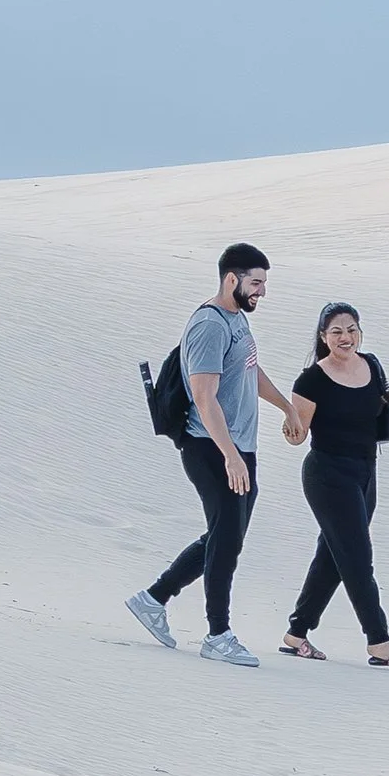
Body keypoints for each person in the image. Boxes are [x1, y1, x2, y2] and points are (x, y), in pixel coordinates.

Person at [127, 245, 301, 667]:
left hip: (238, 447)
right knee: (225, 539)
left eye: (263, 283)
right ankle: (217, 634)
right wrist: (230, 456)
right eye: (256, 283)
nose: (262, 292)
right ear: (231, 279)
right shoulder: (208, 325)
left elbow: (249, 369)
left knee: (227, 536)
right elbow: (204, 398)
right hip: (209, 447)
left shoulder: (237, 319)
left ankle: (153, 599)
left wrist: (287, 406)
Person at [277, 301, 389, 667]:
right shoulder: (311, 379)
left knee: (334, 556)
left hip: (365, 472)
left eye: (351, 329)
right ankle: (379, 642)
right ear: (323, 337)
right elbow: (297, 436)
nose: (346, 338)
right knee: (358, 559)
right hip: (327, 476)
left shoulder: (371, 364)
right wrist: (289, 421)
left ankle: (296, 634)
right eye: (336, 332)